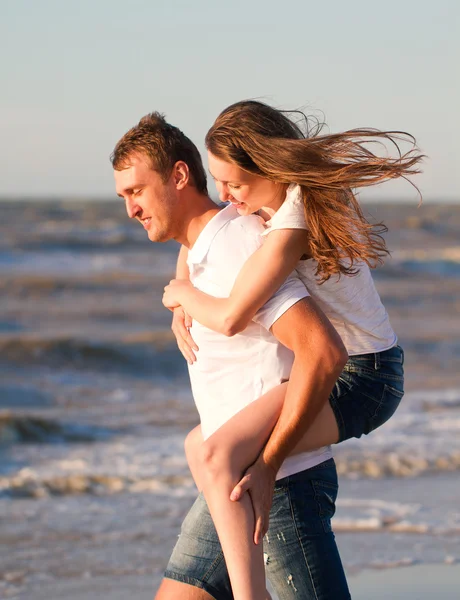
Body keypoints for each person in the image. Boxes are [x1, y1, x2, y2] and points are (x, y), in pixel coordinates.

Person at [162, 101, 423, 598]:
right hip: (353, 371)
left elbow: (234, 314)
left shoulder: (290, 223)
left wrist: (180, 296)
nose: (225, 196)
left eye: (234, 183)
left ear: (270, 167)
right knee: (201, 447)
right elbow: (200, 239)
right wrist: (183, 286)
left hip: (365, 381)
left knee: (223, 456)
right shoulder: (277, 203)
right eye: (218, 182)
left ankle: (249, 593)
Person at [111, 112, 352, 600]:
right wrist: (181, 293)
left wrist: (269, 462)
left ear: (179, 176)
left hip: (280, 486)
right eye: (123, 197)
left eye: (136, 191)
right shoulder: (203, 252)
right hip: (232, 488)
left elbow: (319, 348)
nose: (130, 209)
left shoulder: (236, 246)